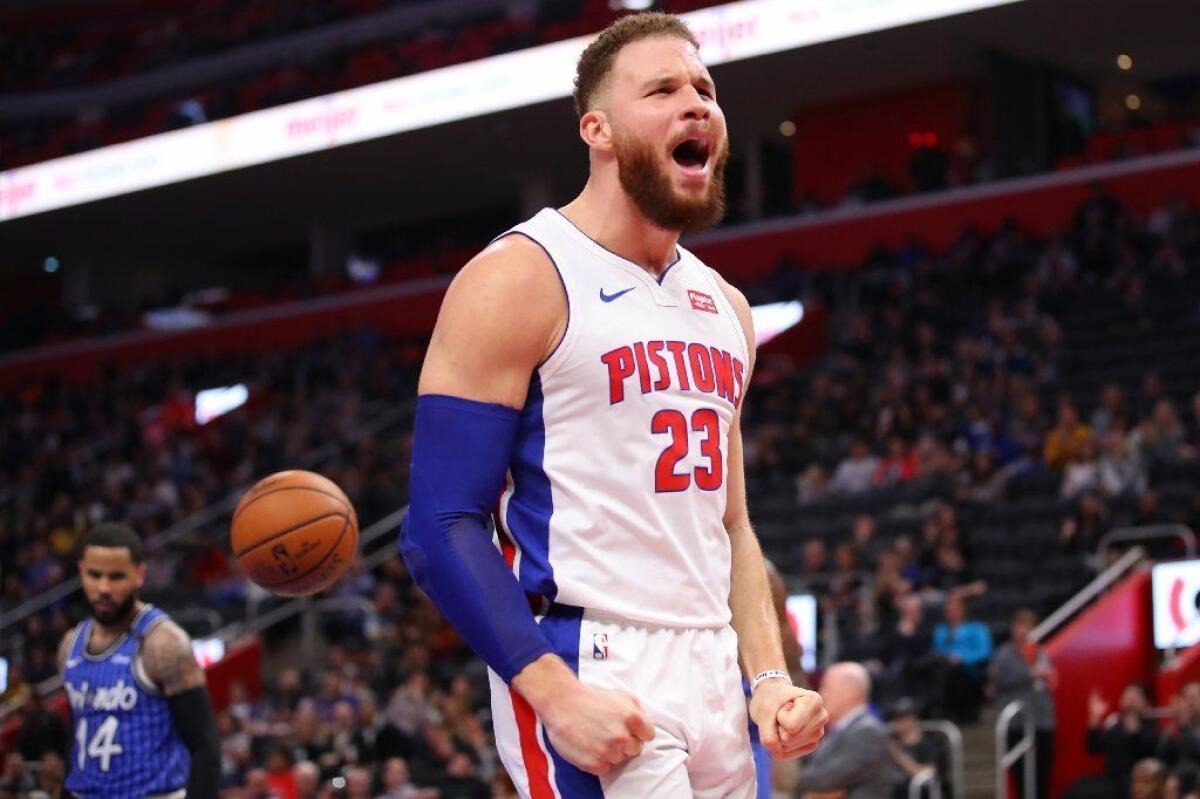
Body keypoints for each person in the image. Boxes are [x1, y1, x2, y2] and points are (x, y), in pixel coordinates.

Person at [399, 12, 826, 798]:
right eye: (662, 89)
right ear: (596, 128)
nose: (695, 104)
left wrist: (765, 673)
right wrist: (551, 691)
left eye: (705, 88)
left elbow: (729, 523)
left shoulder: (726, 307)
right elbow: (438, 524)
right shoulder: (519, 277)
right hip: (588, 651)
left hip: (710, 660)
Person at [58, 523, 220, 798]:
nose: (104, 588)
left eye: (116, 577)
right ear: (81, 572)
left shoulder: (163, 643)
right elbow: (75, 739)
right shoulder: (69, 646)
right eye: (94, 575)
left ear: (140, 574)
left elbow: (204, 743)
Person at [794, 663, 901, 799]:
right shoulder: (844, 729)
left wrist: (800, 780)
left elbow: (826, 779)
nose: (821, 695)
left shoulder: (867, 732)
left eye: (826, 687)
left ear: (849, 692)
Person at [990, 609, 1057, 798]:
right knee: (1021, 777)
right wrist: (1030, 674)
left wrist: (1048, 676)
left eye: (1029, 626)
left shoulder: (1041, 652)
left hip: (1043, 721)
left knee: (1042, 776)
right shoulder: (1004, 655)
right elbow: (997, 681)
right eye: (1021, 625)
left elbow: (1050, 679)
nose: (1024, 630)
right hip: (1017, 724)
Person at [1086, 684, 1160, 797]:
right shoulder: (1114, 724)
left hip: (1135, 784)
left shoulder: (1150, 727)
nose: (1131, 698)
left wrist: (1135, 732)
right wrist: (1095, 718)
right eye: (1128, 694)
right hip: (1110, 782)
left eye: (1136, 696)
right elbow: (1093, 747)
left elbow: (1148, 751)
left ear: (1146, 704)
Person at [931, 596, 992, 723]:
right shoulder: (940, 631)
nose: (952, 613)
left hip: (972, 670)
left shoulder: (977, 628)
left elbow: (985, 651)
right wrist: (949, 658)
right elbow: (937, 651)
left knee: (954, 671)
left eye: (955, 609)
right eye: (949, 610)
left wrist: (962, 658)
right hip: (947, 669)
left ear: (963, 610)